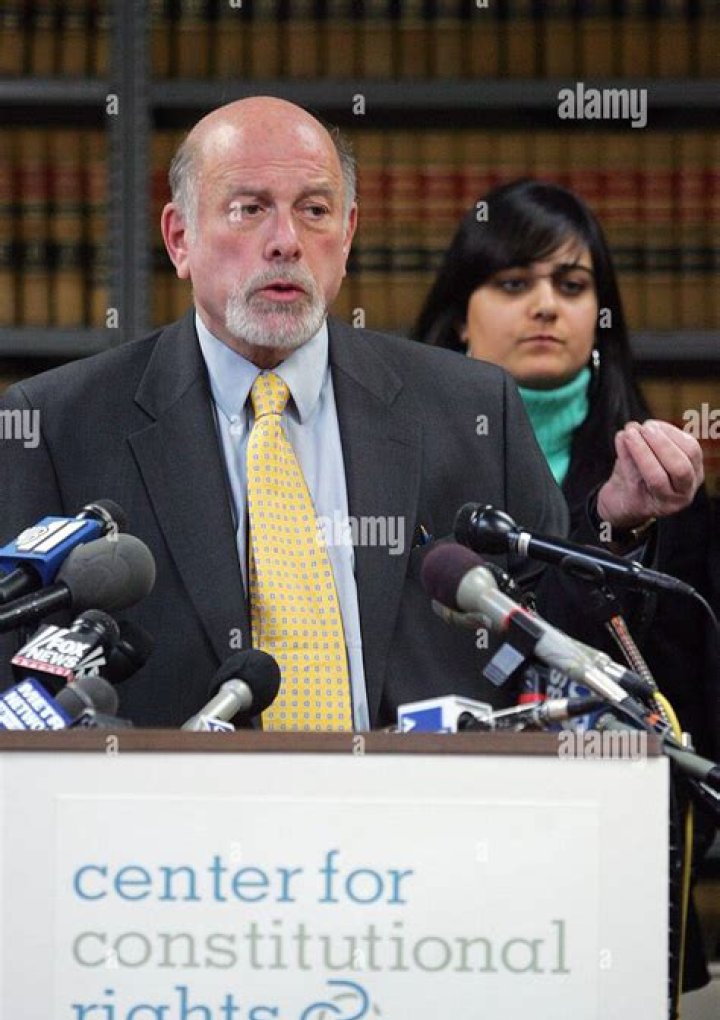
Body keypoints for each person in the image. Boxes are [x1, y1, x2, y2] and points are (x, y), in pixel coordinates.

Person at [0, 103, 704, 734]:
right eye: (249, 209)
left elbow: (552, 646)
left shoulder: (471, 406)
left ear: (348, 233)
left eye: (314, 210)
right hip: (168, 829)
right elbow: (21, 685)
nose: (286, 240)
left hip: (422, 821)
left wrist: (614, 525)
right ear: (180, 238)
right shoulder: (57, 425)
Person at [413, 178, 717, 992]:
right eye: (513, 282)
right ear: (460, 315)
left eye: (572, 285)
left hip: (611, 872)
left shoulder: (668, 492)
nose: (545, 305)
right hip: (431, 866)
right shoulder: (391, 469)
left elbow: (690, 709)